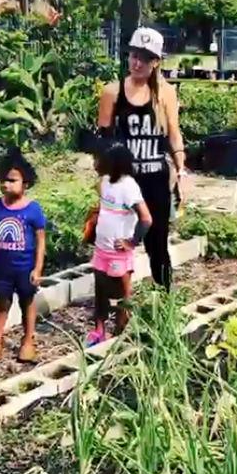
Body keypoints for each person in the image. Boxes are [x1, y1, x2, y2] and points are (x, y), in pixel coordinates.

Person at [97, 26, 188, 291]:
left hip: (155, 180)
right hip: (124, 182)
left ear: (156, 62)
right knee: (115, 243)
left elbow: (174, 135)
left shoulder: (166, 93)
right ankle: (118, 304)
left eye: (145, 58)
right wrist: (102, 177)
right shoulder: (112, 92)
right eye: (134, 55)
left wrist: (180, 170)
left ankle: (164, 300)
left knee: (157, 244)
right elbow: (103, 142)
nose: (137, 63)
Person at [0, 149, 46, 364]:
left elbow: (41, 240)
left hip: (25, 269)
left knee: (27, 303)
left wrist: (38, 268)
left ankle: (28, 339)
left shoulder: (33, 210)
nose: (6, 184)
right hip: (2, 269)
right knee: (2, 303)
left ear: (26, 183)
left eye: (12, 180)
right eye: (3, 180)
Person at [86, 142, 152, 347]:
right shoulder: (105, 182)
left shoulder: (128, 187)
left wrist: (132, 242)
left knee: (122, 294)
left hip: (118, 253)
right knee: (100, 289)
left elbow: (146, 219)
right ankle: (99, 329)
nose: (94, 164)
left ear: (112, 164)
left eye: (98, 160)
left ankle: (119, 332)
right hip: (102, 248)